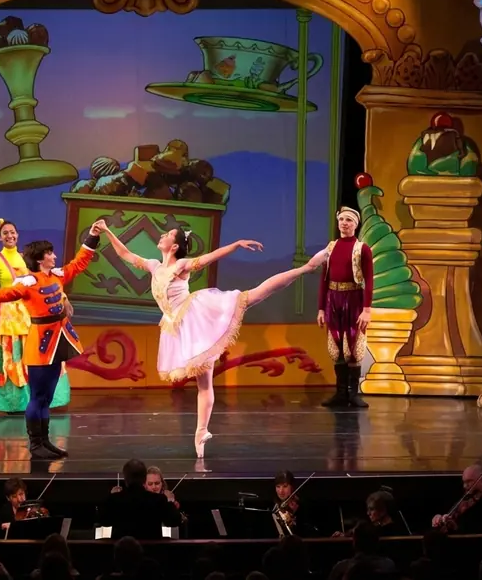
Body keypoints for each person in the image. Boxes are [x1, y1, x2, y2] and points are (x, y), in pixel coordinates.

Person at [98, 220, 326, 456]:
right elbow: (125, 254)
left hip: (196, 317)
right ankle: (201, 433)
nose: (162, 235)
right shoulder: (154, 266)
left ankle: (306, 267)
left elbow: (208, 258)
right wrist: (107, 231)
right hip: (179, 327)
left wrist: (235, 245)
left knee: (253, 296)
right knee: (204, 383)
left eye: (167, 234)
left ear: (174, 246)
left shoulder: (181, 265)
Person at [0, 223, 103, 459]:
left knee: (47, 396)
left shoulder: (57, 275)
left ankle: (46, 441)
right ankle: (35, 444)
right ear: (41, 259)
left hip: (59, 341)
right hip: (41, 344)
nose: (54, 256)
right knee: (38, 396)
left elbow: (79, 263)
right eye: (50, 253)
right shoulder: (28, 284)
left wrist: (93, 235)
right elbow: (1, 294)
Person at [0, 218, 71, 414]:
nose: (10, 236)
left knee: (32, 353)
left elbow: (42, 281)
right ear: (0, 238)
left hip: (27, 312)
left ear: (17, 235)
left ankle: (36, 397)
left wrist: (64, 299)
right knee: (4, 355)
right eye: (5, 233)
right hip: (4, 314)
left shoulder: (26, 258)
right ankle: (5, 401)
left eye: (12, 232)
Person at [317, 207, 374, 409]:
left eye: (348, 220)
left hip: (354, 299)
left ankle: (353, 394)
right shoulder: (331, 247)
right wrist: (321, 308)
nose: (344, 223)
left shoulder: (362, 249)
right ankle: (340, 393)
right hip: (334, 300)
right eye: (341, 219)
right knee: (336, 345)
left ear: (355, 224)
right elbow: (324, 279)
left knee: (354, 344)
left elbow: (369, 280)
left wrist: (366, 310)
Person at [98, 459, 181, 539]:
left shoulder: (115, 499)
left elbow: (104, 522)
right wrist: (170, 501)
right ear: (144, 479)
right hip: (151, 547)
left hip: (122, 547)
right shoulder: (158, 500)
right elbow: (174, 521)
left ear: (126, 478)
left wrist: (111, 497)